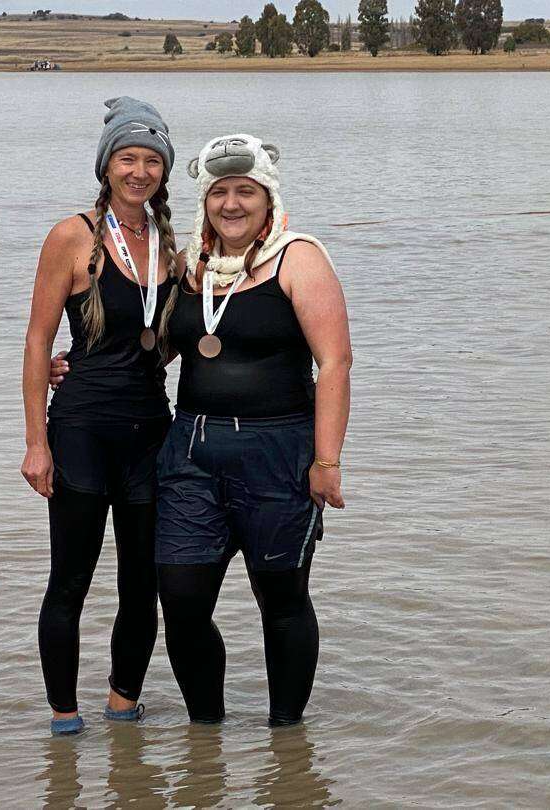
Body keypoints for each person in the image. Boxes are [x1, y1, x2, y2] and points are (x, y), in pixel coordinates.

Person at [155, 134, 352, 727]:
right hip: (191, 451)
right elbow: (157, 348)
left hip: (279, 452)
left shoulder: (300, 258)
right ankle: (205, 738)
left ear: (268, 199)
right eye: (219, 192)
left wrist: (327, 460)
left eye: (246, 191)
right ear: (205, 200)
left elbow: (335, 362)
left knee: (282, 601)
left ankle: (286, 742)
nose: (232, 204)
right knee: (183, 603)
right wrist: (73, 366)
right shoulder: (191, 267)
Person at [21, 97, 177, 736]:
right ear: (106, 165)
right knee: (70, 582)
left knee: (145, 585)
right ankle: (63, 718)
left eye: (151, 161)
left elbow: (170, 337)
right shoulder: (73, 235)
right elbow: (36, 340)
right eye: (126, 158)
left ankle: (122, 705)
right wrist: (36, 441)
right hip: (82, 428)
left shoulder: (171, 241)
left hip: (150, 431)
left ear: (164, 171)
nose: (138, 171)